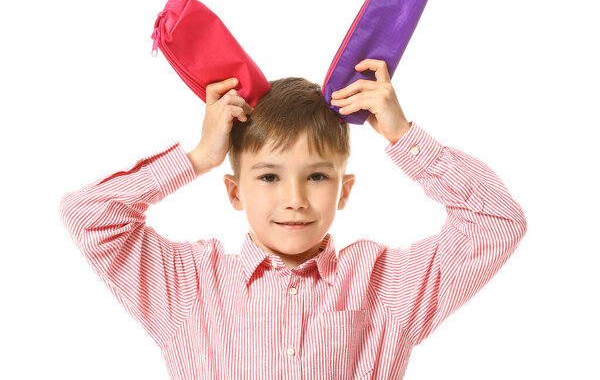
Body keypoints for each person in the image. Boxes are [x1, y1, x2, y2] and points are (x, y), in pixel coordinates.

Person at [58, 58, 527, 379]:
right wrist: (199, 157)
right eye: (268, 178)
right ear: (234, 191)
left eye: (317, 176)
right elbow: (89, 216)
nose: (295, 199)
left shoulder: (386, 285)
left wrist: (402, 136)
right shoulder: (188, 288)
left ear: (344, 191)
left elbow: (497, 223)